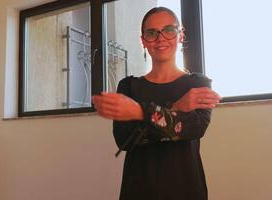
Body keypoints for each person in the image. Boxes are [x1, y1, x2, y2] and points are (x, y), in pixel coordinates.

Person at [92, 7, 221, 200]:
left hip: (186, 188)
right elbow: (125, 140)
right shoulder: (128, 86)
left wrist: (139, 112)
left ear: (180, 35)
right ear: (143, 41)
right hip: (138, 188)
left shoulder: (198, 84)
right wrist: (176, 108)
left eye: (168, 30)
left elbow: (193, 128)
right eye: (151, 33)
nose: (160, 38)